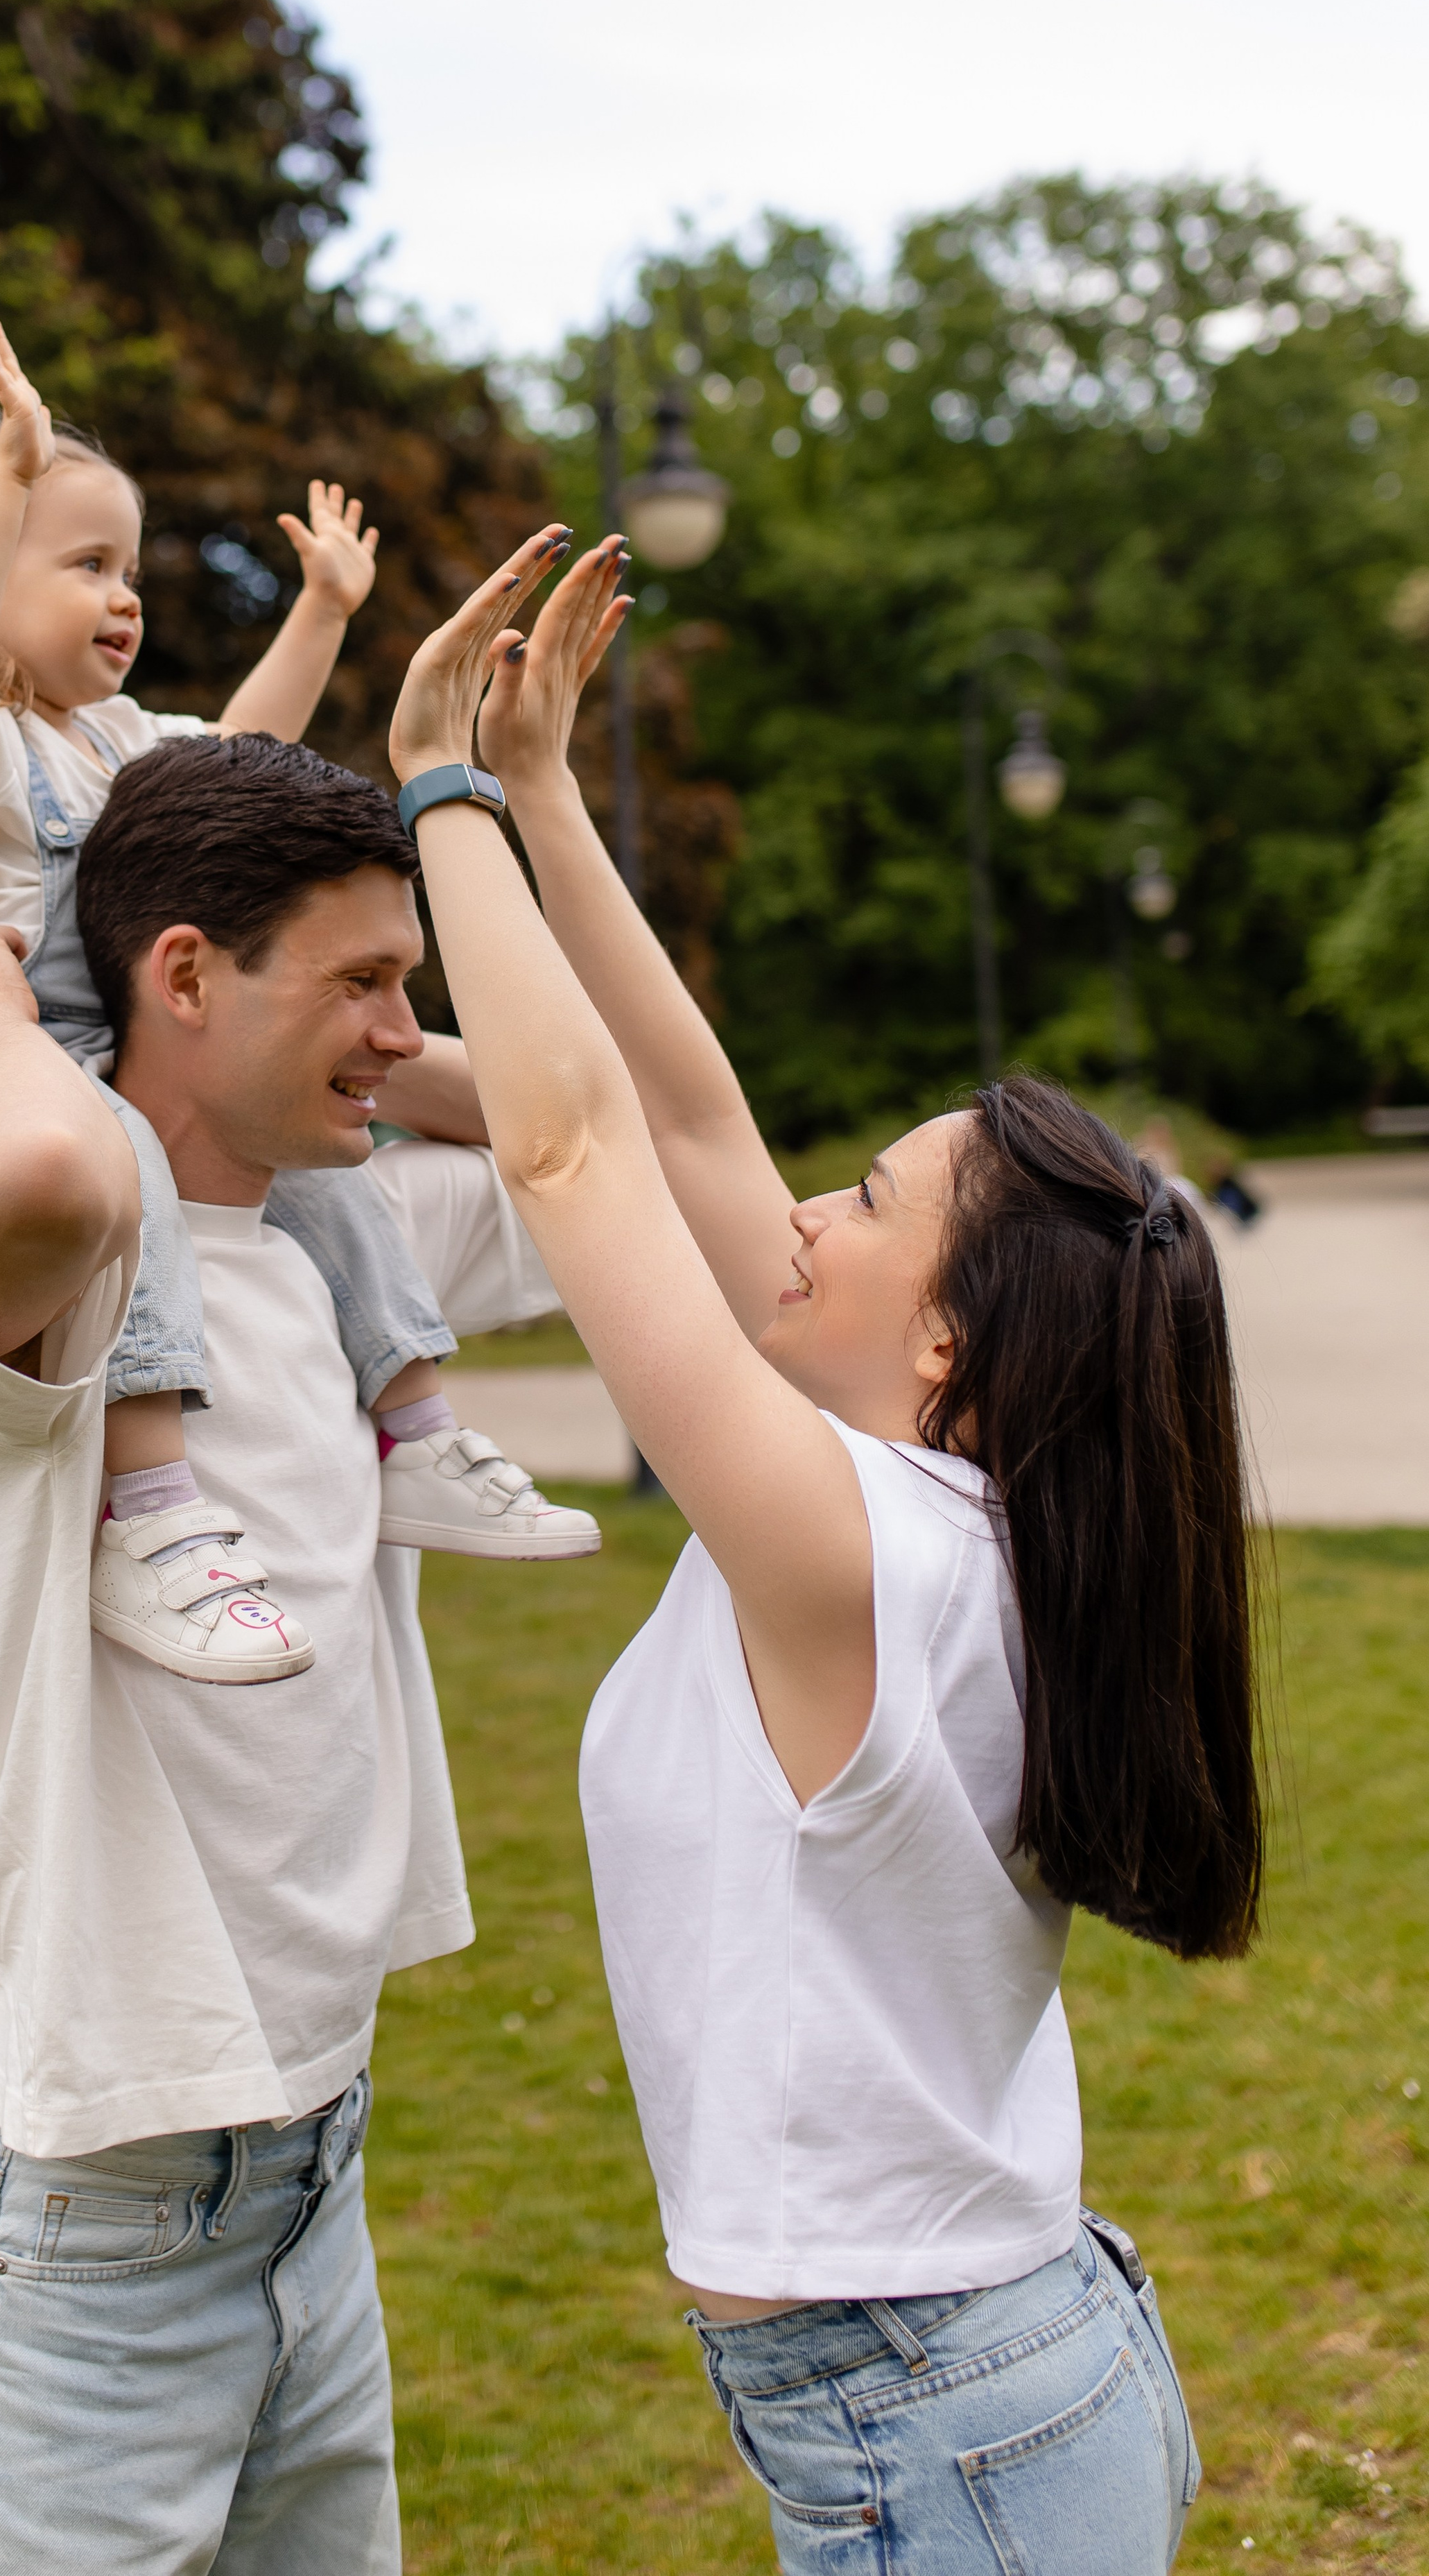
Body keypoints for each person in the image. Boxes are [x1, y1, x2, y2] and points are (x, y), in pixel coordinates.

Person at [384, 531, 1265, 2573]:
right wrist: (544, 799)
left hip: (941, 2422)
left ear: (947, 1339)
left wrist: (437, 795)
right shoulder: (972, 1520)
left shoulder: (854, 1551)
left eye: (864, 1200)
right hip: (988, 2374)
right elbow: (683, 1134)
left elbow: (575, 1150)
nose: (806, 1210)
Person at [0, 712, 576, 2571]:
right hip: (98, 2197)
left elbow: (599, 1115)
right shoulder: (40, 1288)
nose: (402, 1032)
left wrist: (490, 798)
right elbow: (41, 1180)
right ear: (182, 973)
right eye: (360, 981)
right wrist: (2, 1024)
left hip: (310, 2172)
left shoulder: (348, 1241)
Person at [0, 318, 596, 1685]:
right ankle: (154, 1514)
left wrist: (325, 611)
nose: (125, 596)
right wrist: (8, 475)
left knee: (335, 1171)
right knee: (127, 1178)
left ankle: (413, 1428)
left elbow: (241, 761)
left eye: (129, 567)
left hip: (128, 1051)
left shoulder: (118, 739)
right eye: (85, 565)